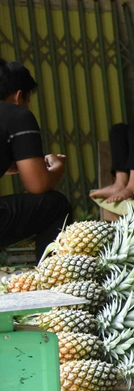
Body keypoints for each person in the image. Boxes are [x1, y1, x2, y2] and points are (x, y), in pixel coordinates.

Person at [0, 59, 70, 257]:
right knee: (56, 205)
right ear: (19, 95)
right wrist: (57, 168)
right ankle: (49, 277)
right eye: (28, 100)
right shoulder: (17, 115)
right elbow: (37, 185)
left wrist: (8, 166)